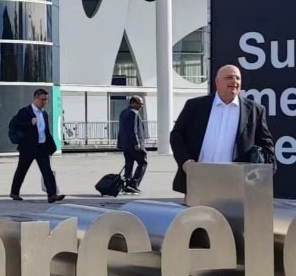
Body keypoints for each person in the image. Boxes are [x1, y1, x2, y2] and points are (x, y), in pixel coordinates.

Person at [169, 64, 275, 195]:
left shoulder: (254, 110)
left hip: (236, 184)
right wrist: (185, 162)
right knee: (197, 209)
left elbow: (266, 144)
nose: (234, 81)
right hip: (198, 180)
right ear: (217, 82)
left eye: (238, 78)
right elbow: (176, 135)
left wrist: (265, 174)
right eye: (229, 77)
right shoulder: (195, 106)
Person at [8, 88, 65, 203]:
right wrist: (29, 123)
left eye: (46, 100)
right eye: (42, 99)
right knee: (22, 170)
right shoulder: (25, 111)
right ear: (35, 98)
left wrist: (51, 146)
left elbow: (46, 131)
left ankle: (52, 195)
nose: (44, 102)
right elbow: (15, 125)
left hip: (42, 147)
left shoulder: (44, 114)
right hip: (28, 147)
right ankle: (14, 192)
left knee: (47, 171)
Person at [117, 95, 147, 194]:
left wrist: (119, 143)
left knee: (129, 164)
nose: (141, 106)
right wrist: (137, 143)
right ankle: (134, 184)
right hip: (134, 144)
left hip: (125, 144)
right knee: (143, 163)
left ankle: (127, 185)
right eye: (140, 104)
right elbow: (133, 130)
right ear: (133, 102)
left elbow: (121, 129)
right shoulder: (134, 113)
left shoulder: (122, 112)